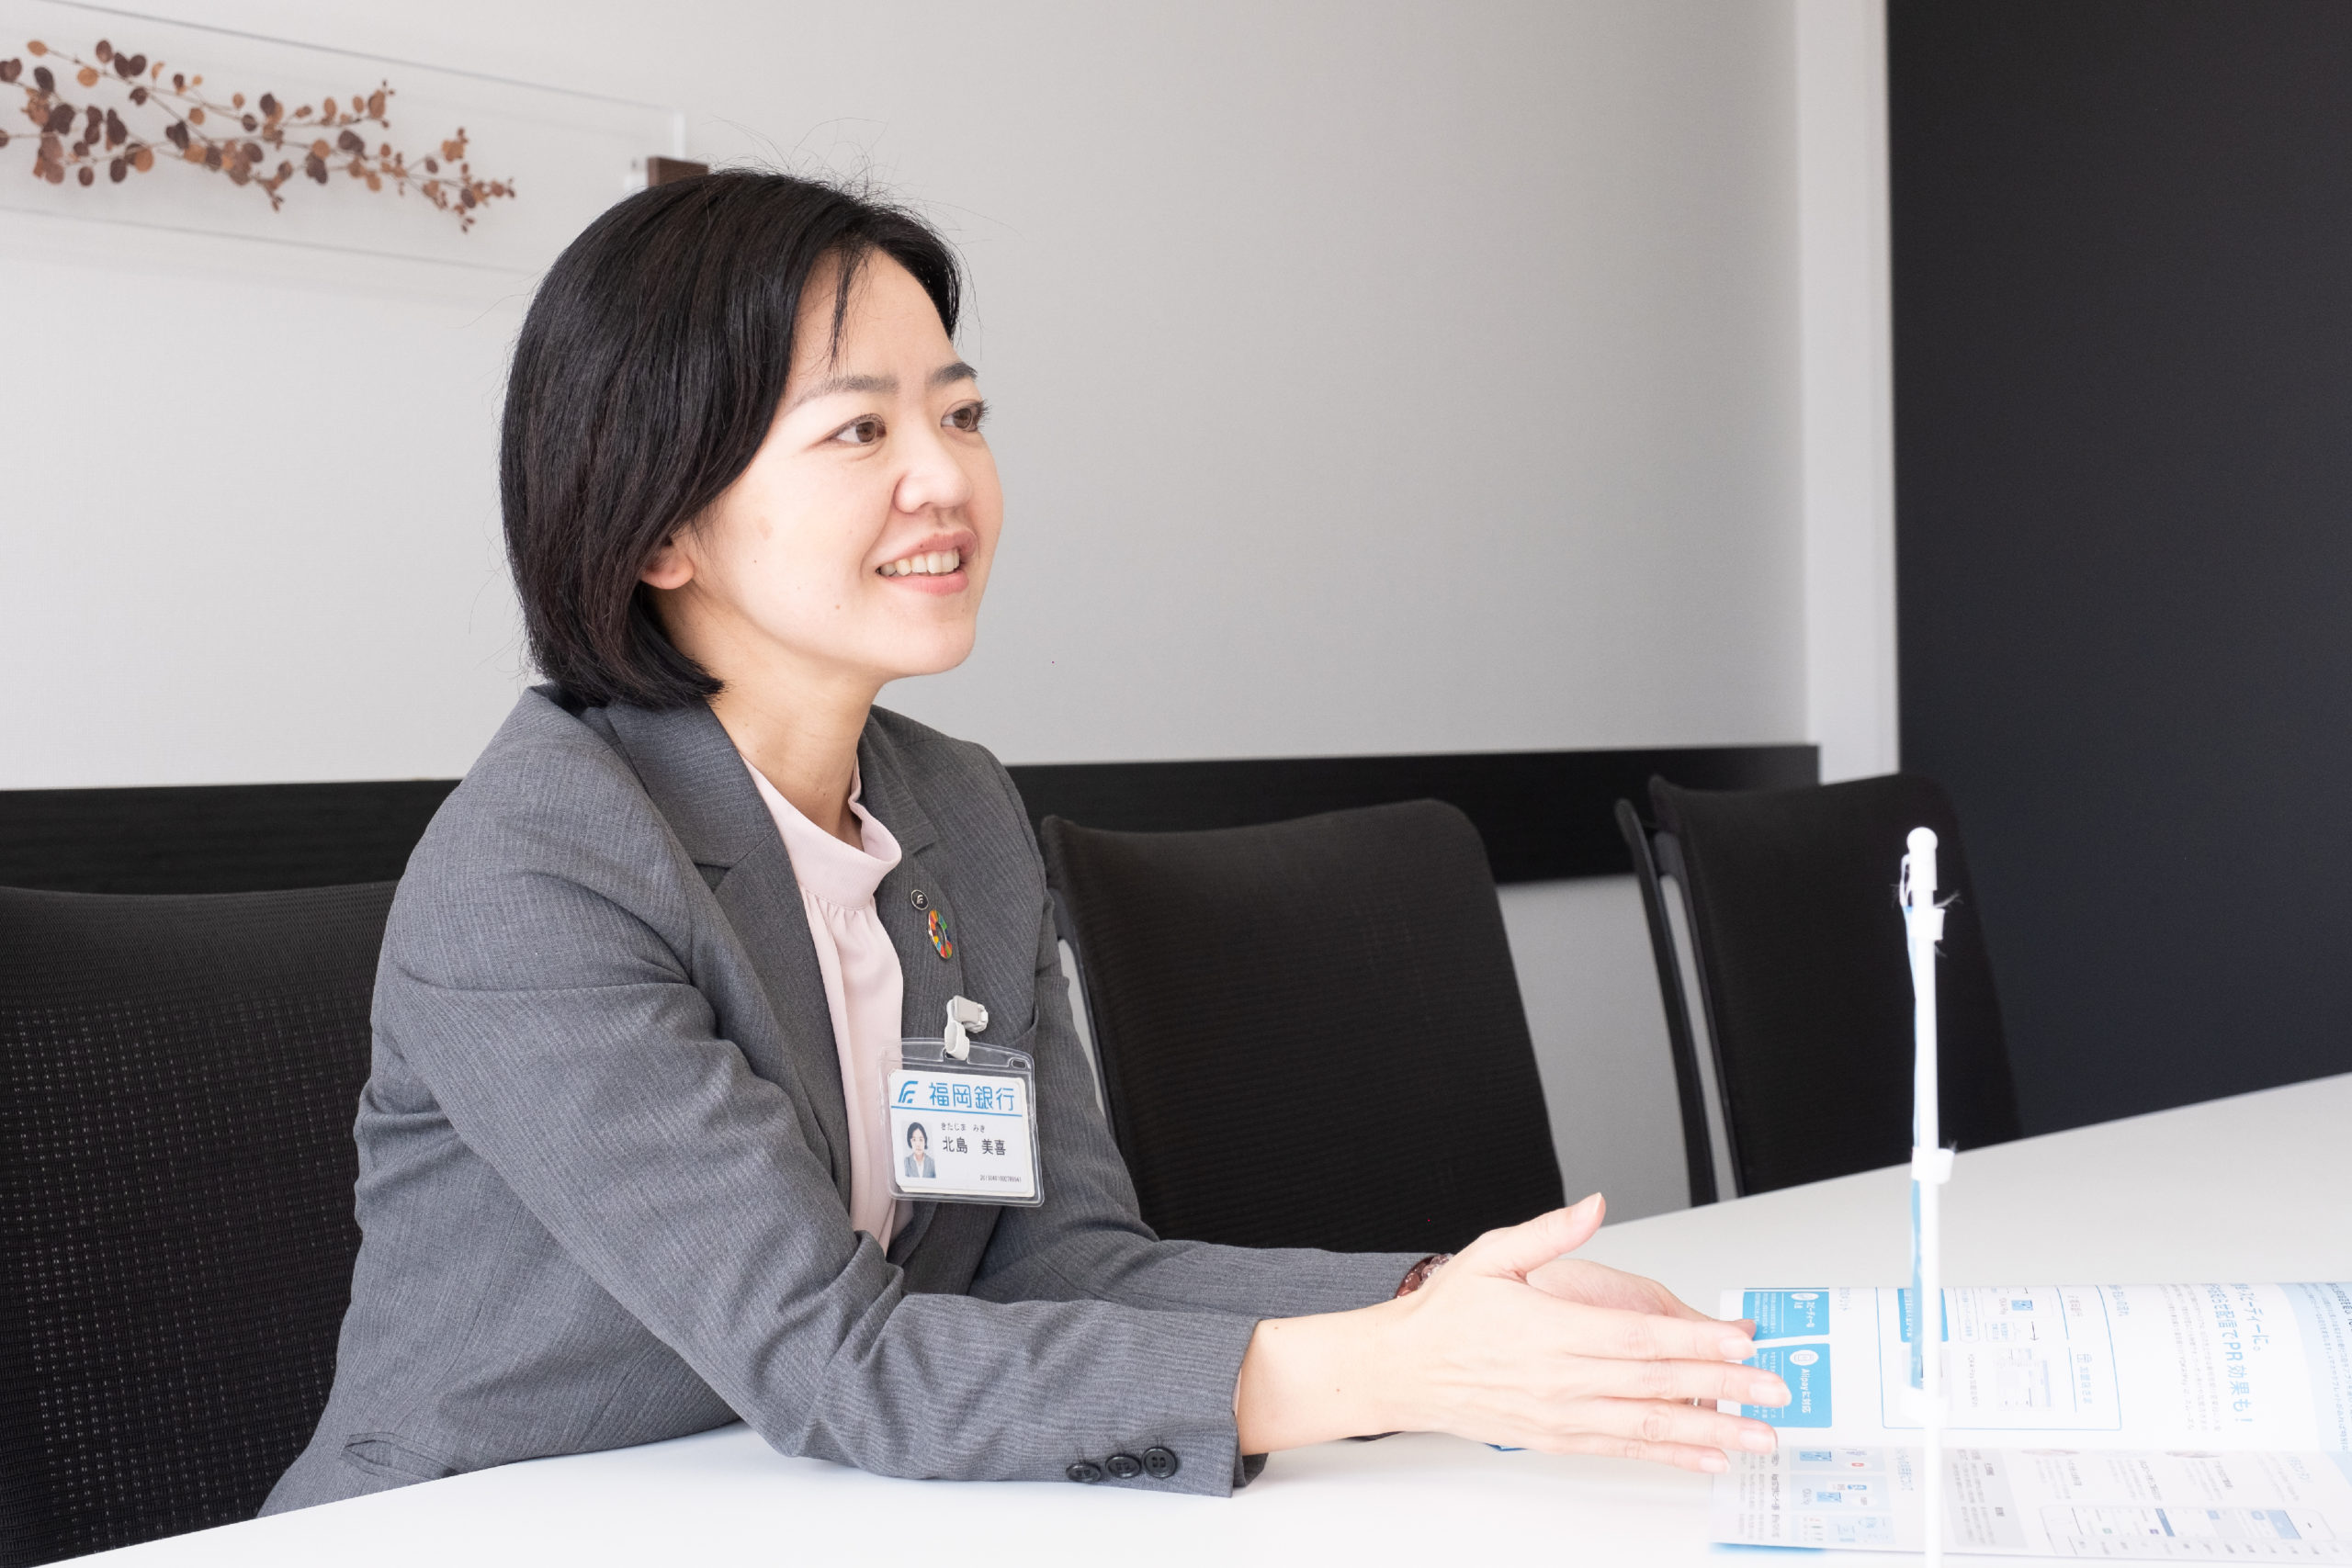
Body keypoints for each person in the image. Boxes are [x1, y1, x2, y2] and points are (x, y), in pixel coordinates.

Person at [264, 171, 1789, 1512]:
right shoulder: (543, 867)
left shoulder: (957, 810)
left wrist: (1438, 1305)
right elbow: (839, 1360)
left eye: (963, 414)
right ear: (661, 525)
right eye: (860, 428)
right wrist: (1390, 1371)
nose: (946, 478)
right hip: (477, 1527)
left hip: (810, 1504)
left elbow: (1061, 1259)